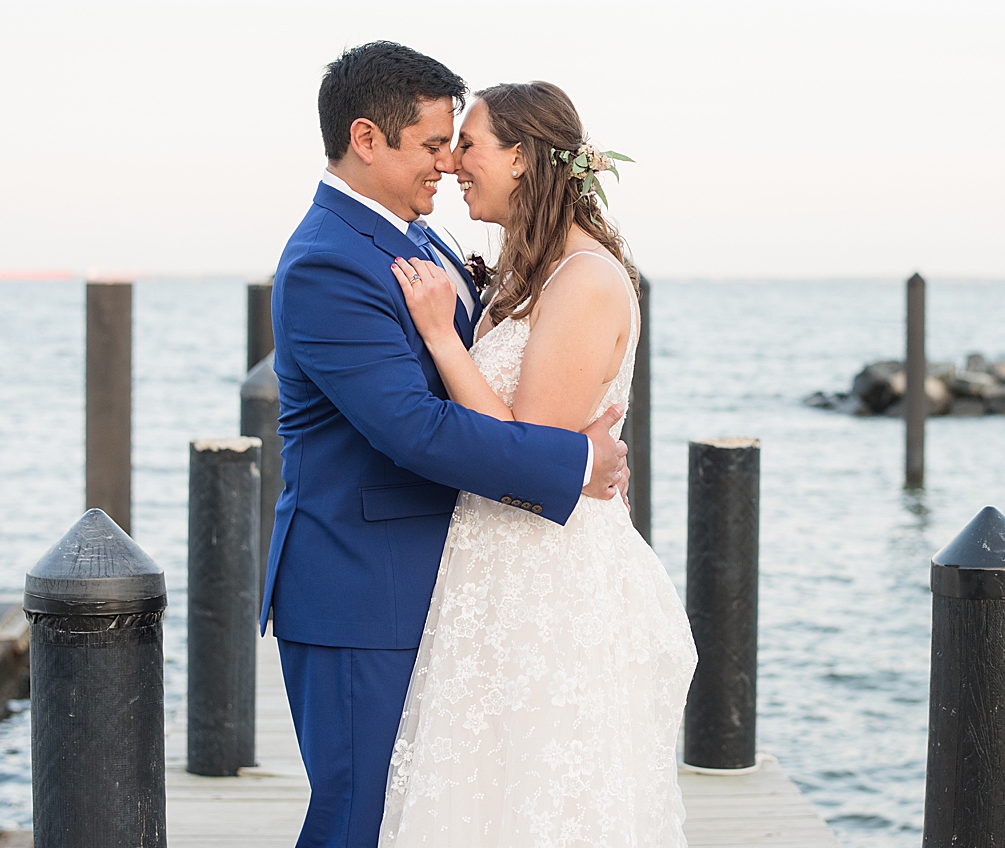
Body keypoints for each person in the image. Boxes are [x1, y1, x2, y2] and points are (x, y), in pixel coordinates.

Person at [262, 43, 631, 848]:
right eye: (434, 144)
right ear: (366, 138)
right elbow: (414, 429)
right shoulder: (329, 261)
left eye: (458, 143)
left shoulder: (418, 241)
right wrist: (575, 461)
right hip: (363, 587)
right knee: (358, 818)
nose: (449, 163)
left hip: (446, 581)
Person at [380, 82, 697, 846]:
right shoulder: (531, 270)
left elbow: (525, 451)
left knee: (543, 801)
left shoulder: (586, 280)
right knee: (481, 795)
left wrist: (443, 339)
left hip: (548, 577)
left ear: (521, 158)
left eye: (473, 144)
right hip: (496, 568)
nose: (455, 161)